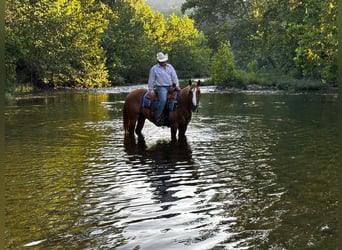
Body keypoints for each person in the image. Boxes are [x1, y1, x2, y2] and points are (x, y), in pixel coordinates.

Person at [148, 52, 180, 125]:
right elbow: (151, 80)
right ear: (158, 61)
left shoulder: (170, 67)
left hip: (171, 86)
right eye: (162, 61)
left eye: (164, 61)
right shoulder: (154, 69)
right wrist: (151, 90)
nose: (163, 63)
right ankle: (158, 116)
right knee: (163, 100)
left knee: (180, 96)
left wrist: (177, 85)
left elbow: (174, 76)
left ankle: (176, 115)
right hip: (161, 87)